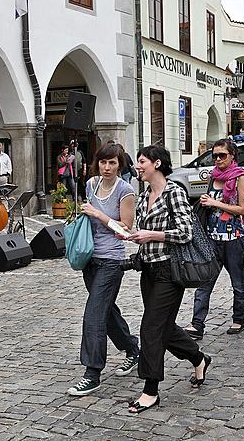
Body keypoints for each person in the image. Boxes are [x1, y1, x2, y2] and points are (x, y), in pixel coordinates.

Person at [126, 144, 211, 414]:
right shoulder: (143, 195)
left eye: (142, 161)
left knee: (151, 328)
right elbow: (142, 230)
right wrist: (130, 234)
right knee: (163, 326)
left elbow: (185, 231)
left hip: (170, 270)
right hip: (149, 270)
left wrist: (151, 235)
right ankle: (199, 358)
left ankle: (150, 391)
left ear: (157, 164)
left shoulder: (174, 192)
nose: (138, 166)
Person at [67, 143, 140, 396]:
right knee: (106, 311)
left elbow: (126, 229)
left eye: (112, 163)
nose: (107, 167)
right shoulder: (91, 185)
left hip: (112, 260)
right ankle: (132, 348)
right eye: (103, 162)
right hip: (90, 258)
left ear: (120, 164)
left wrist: (98, 214)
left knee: (94, 314)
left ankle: (92, 372)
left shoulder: (126, 190)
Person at [184, 138, 244, 340]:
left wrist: (215, 203)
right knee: (204, 281)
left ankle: (238, 319)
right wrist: (205, 202)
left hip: (233, 238)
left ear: (232, 156)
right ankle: (197, 324)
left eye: (222, 155)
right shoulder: (213, 177)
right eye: (215, 155)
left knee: (237, 282)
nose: (218, 159)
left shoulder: (240, 177)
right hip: (211, 238)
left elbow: (242, 208)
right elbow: (211, 203)